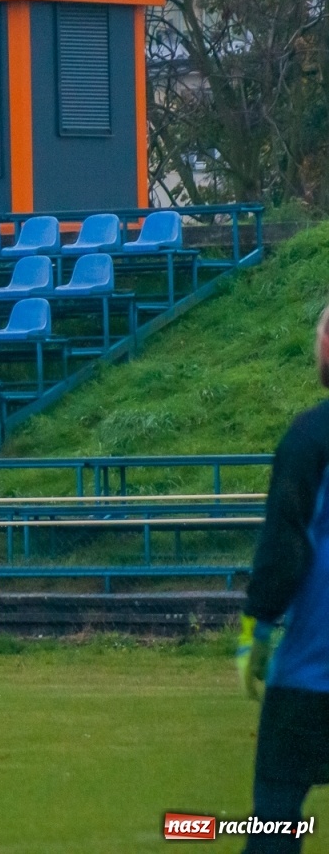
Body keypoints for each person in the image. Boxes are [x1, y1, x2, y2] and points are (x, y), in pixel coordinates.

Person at [237, 303, 329, 852]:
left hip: (311, 670)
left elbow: (284, 547)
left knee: (275, 816)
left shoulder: (309, 439)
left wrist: (257, 628)